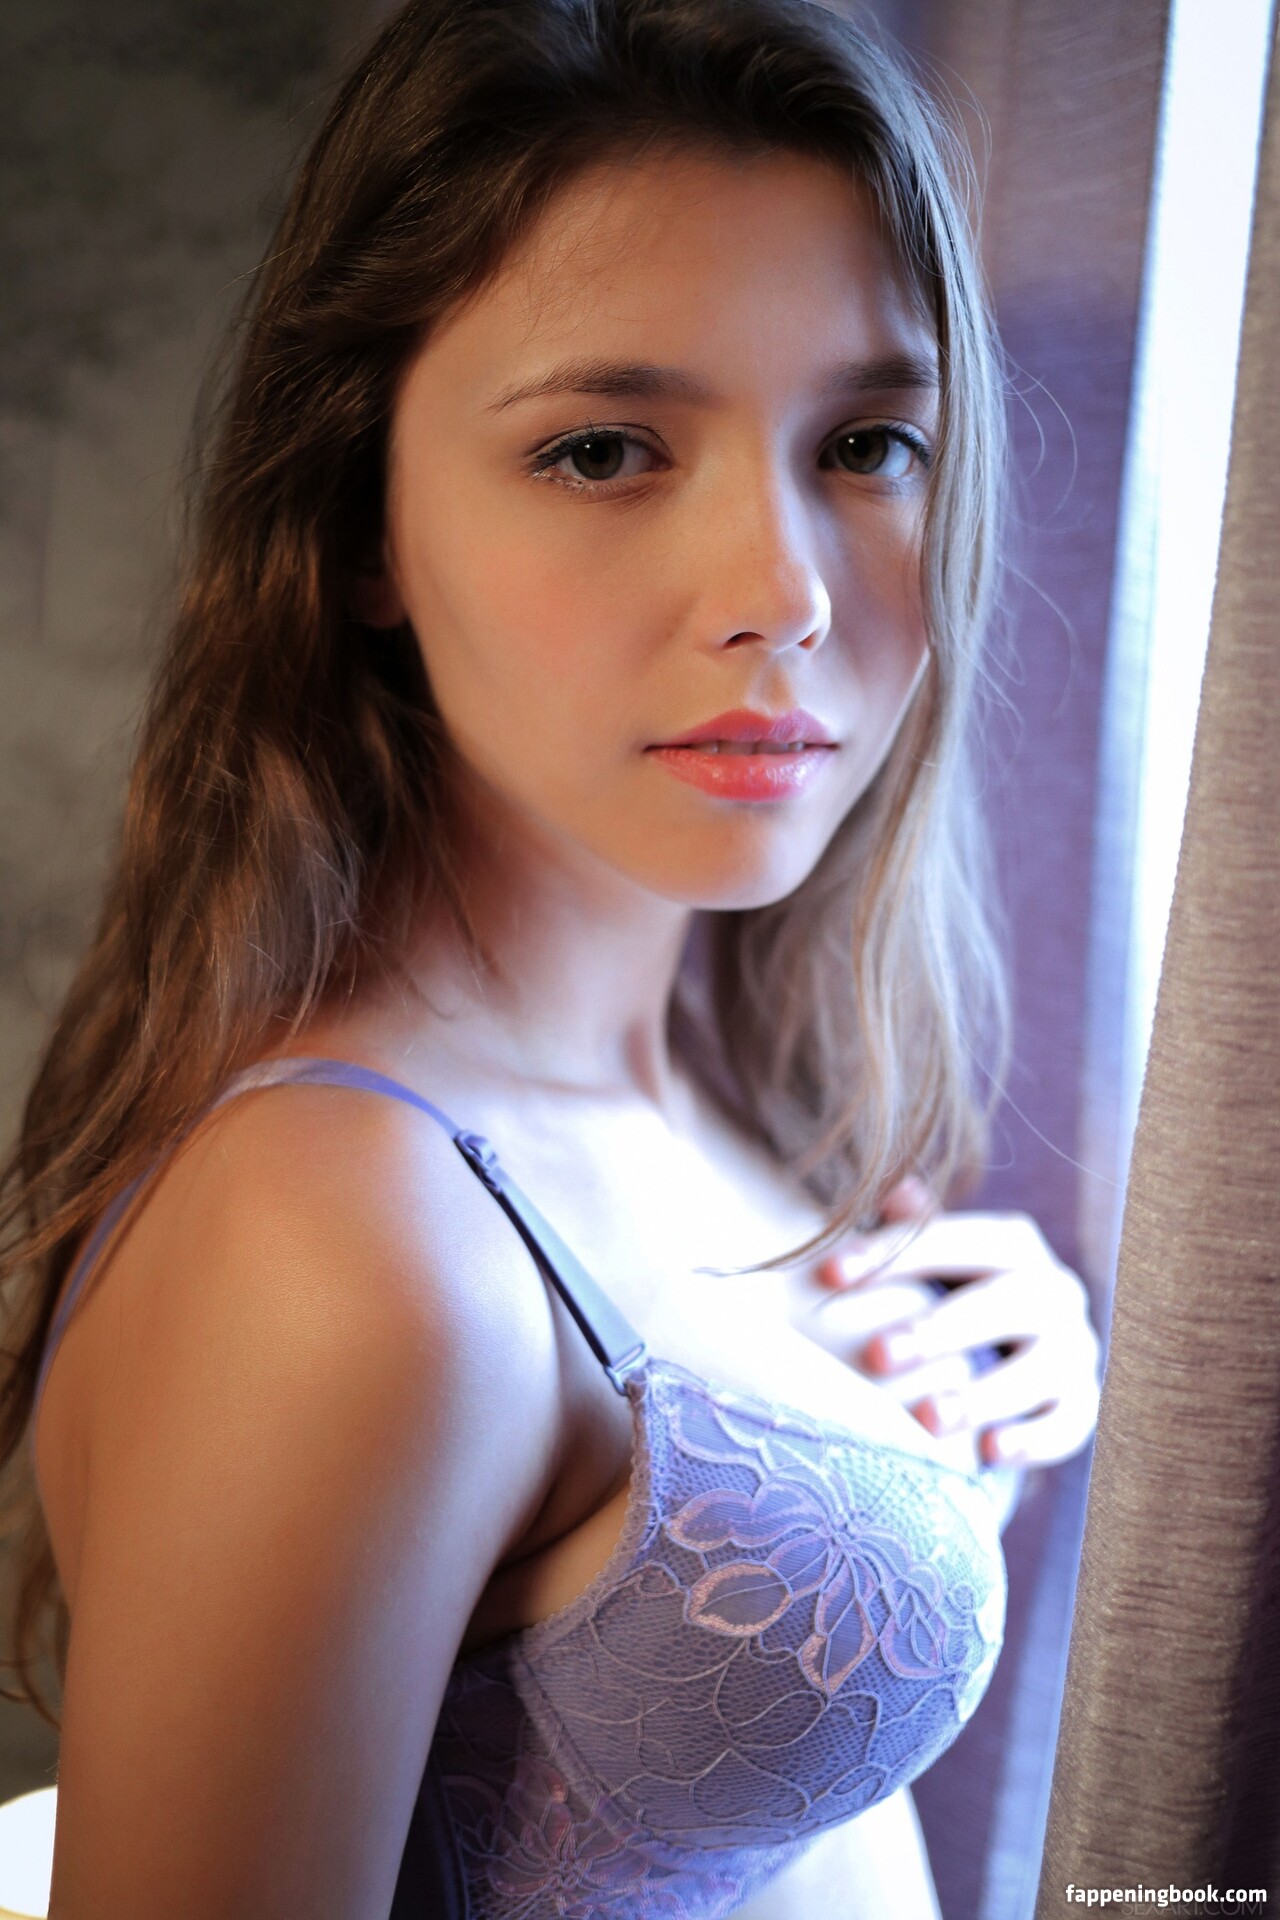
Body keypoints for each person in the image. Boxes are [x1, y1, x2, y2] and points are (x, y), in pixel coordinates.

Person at [0, 0, 1102, 1913]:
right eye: (603, 450)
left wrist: (973, 1397)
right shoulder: (341, 1231)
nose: (782, 592)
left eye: (869, 442)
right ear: (358, 519)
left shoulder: (740, 1095)